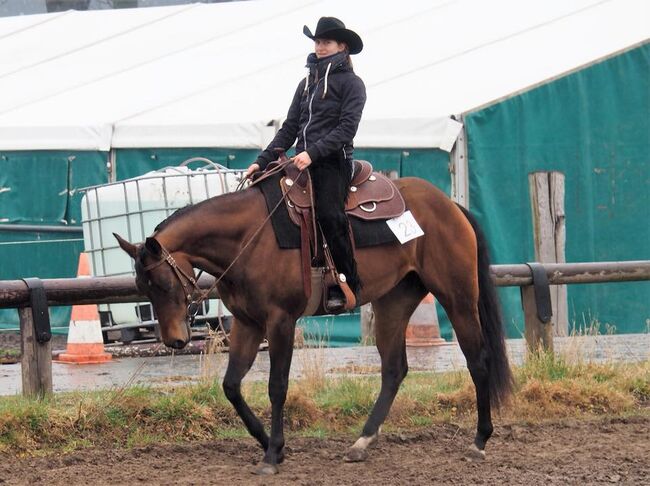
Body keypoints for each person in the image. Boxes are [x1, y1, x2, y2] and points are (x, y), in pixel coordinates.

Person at [246, 16, 366, 311]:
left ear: (342, 46)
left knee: (329, 214)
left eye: (326, 41)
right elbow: (289, 129)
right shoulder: (306, 84)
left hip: (333, 161)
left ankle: (346, 281)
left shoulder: (352, 84)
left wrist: (312, 152)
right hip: (302, 160)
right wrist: (261, 161)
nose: (320, 46)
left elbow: (346, 130)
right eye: (317, 41)